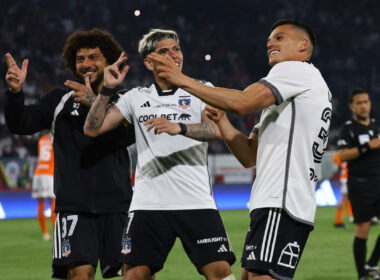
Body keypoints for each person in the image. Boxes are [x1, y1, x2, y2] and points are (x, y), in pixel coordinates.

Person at [147, 19, 332, 280]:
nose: (270, 42)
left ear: (303, 46)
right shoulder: (287, 98)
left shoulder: (295, 70)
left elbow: (244, 102)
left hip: (281, 200)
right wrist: (222, 121)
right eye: (269, 38)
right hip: (275, 201)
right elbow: (248, 155)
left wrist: (180, 79)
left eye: (279, 37)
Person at [84, 28, 236, 280]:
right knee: (133, 275)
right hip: (148, 203)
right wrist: (107, 90)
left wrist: (180, 127)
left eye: (176, 49)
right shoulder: (136, 97)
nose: (174, 55)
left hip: (195, 199)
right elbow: (92, 129)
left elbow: (215, 130)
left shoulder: (202, 89)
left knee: (219, 271)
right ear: (149, 61)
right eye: (164, 51)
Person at [4, 28, 135, 280]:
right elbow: (20, 123)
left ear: (107, 60)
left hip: (117, 205)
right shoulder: (58, 100)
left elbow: (126, 137)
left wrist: (97, 100)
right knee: (79, 274)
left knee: (134, 274)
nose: (86, 64)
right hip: (74, 207)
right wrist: (15, 94)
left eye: (93, 57)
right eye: (79, 59)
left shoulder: (125, 99)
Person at [336, 88, 380, 280]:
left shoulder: (376, 126)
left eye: (366, 101)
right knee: (363, 231)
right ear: (352, 106)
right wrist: (366, 147)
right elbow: (342, 155)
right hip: (360, 184)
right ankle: (362, 275)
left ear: (370, 103)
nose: (363, 105)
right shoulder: (348, 128)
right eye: (359, 102)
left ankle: (371, 264)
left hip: (378, 182)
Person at [32, 129, 56, 241]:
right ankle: (56, 231)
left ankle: (45, 233)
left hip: (38, 173)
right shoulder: (54, 139)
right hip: (49, 173)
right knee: (53, 202)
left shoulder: (41, 140)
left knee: (40, 203)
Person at [332, 152, 354, 228]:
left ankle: (351, 216)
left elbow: (335, 158)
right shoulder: (351, 157)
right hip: (347, 179)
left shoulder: (343, 159)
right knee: (344, 200)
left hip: (344, 178)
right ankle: (338, 221)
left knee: (347, 199)